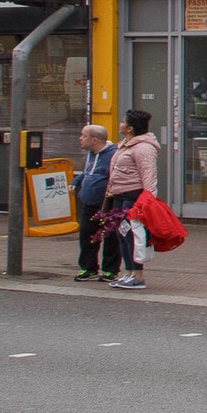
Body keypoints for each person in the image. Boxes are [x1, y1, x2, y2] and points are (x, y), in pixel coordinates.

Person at [105, 109, 160, 291]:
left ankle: (138, 276)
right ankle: (128, 273)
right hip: (120, 195)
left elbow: (148, 174)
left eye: (123, 121)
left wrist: (148, 200)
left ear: (129, 128)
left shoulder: (143, 148)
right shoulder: (126, 145)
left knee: (132, 235)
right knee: (121, 233)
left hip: (133, 196)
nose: (120, 124)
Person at [71, 124, 117, 282]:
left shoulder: (113, 155)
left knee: (110, 236)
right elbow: (87, 172)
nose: (80, 139)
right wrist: (76, 181)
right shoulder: (90, 154)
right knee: (87, 234)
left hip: (107, 203)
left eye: (84, 136)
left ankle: (110, 270)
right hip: (89, 202)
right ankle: (89, 268)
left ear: (95, 140)